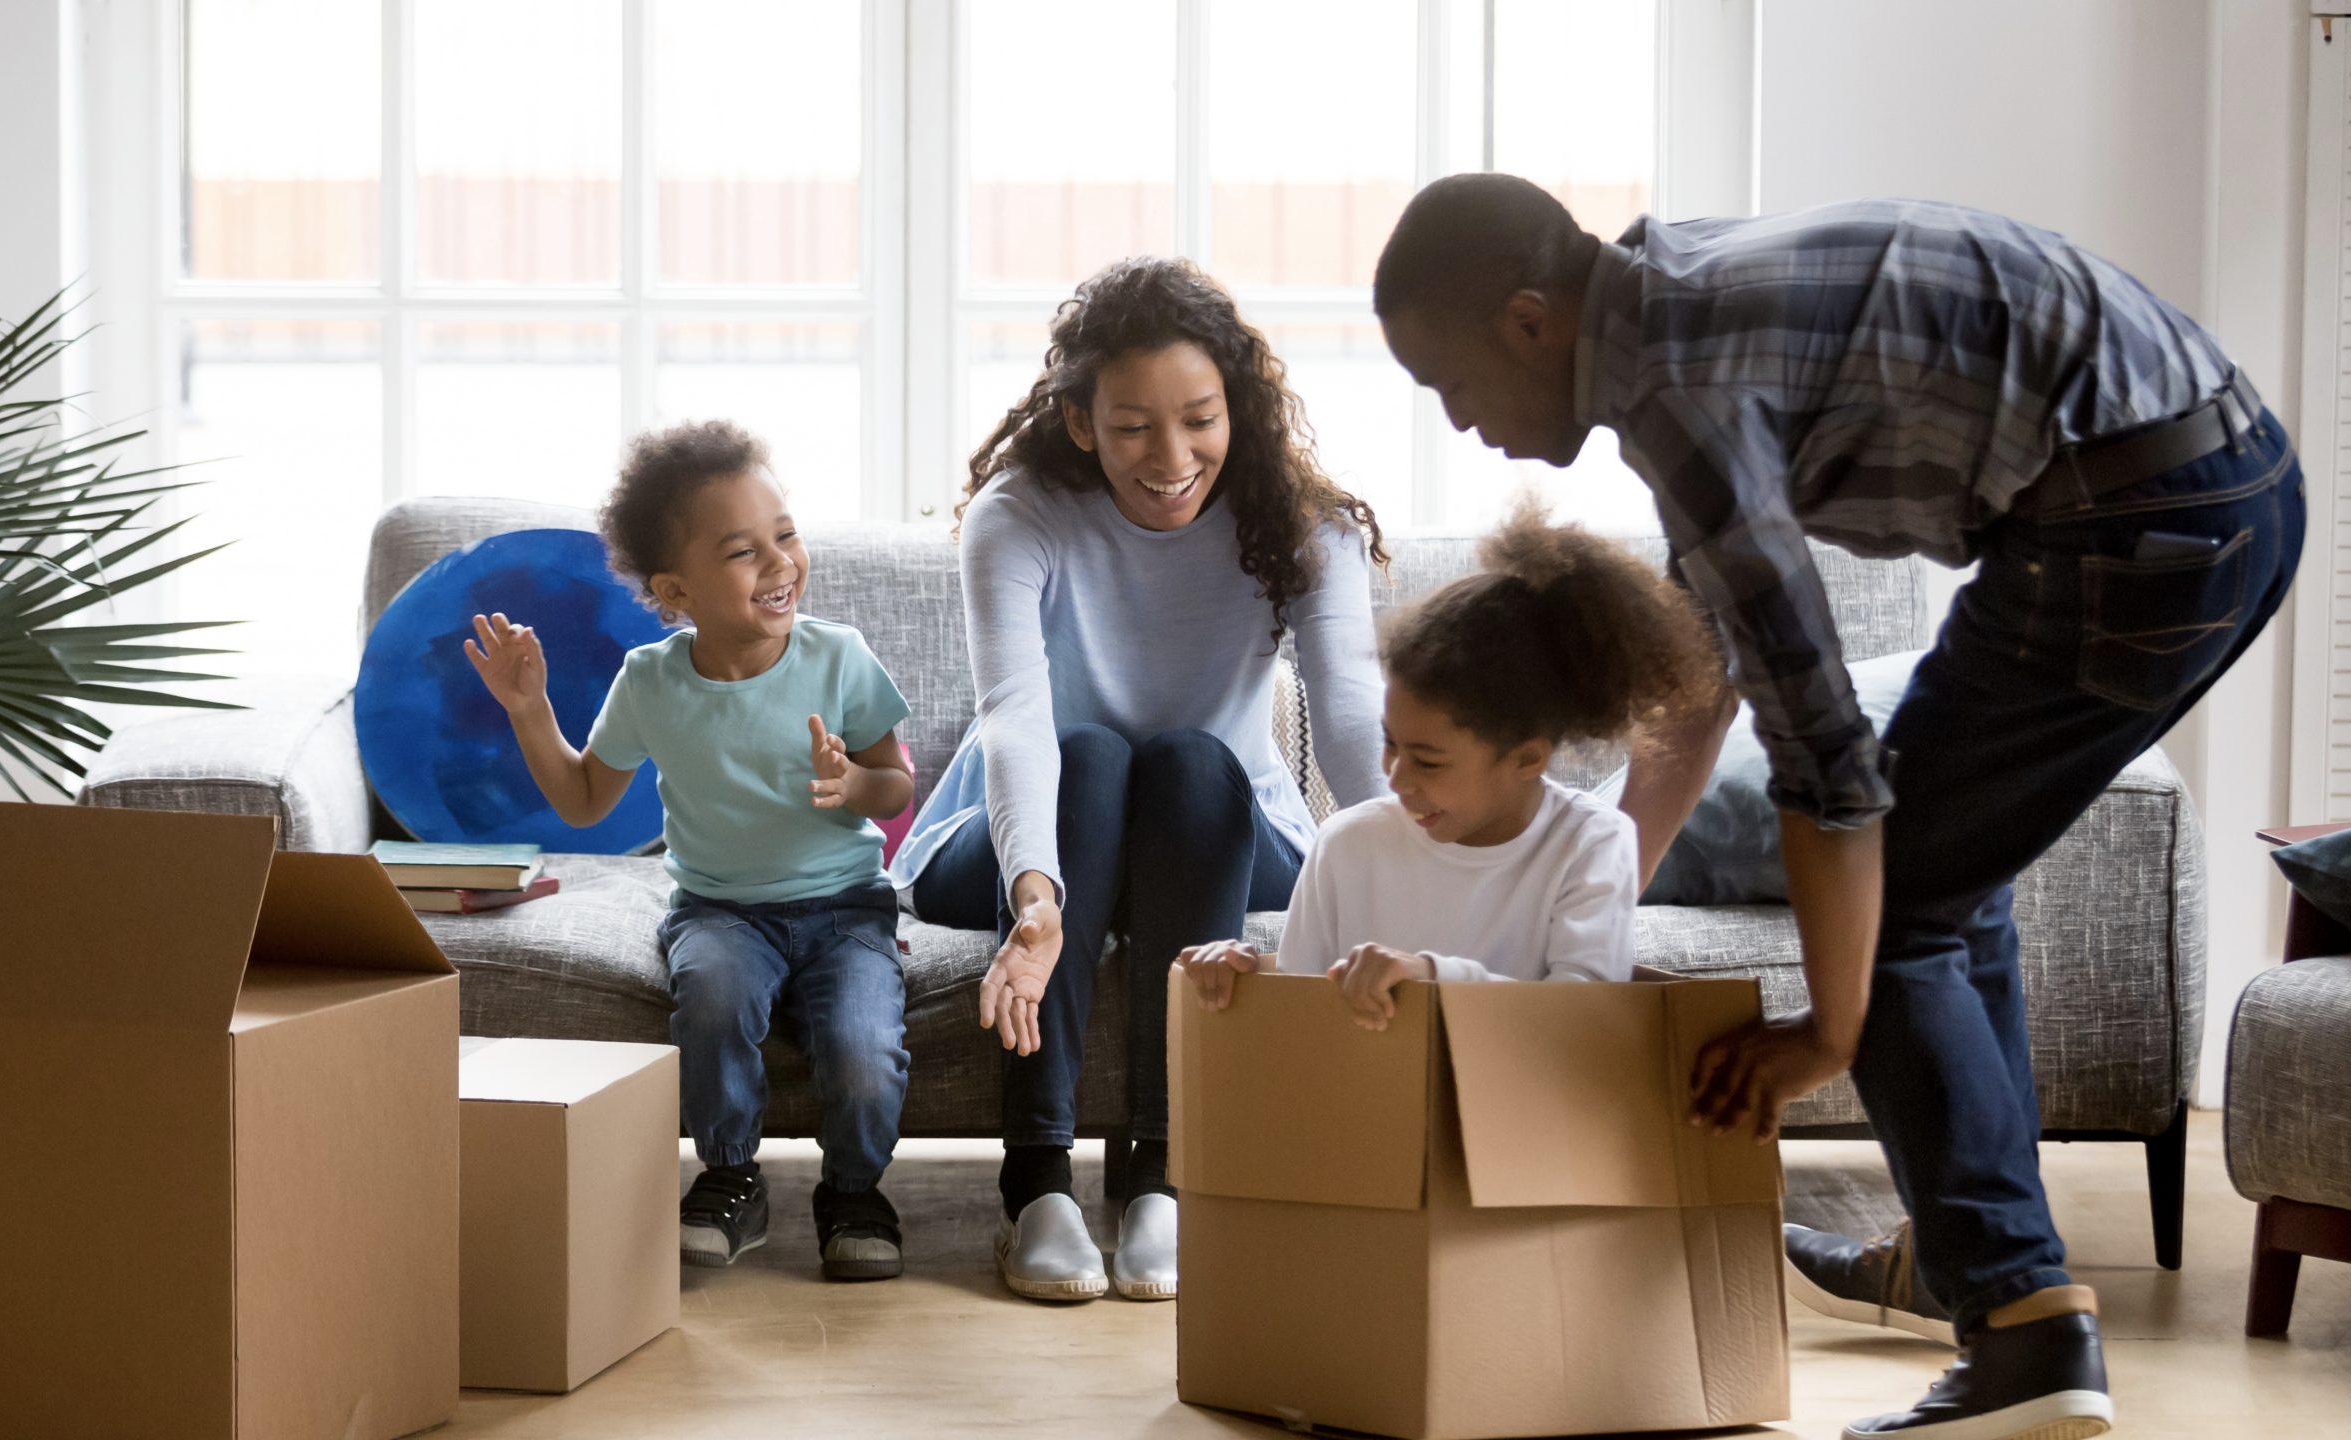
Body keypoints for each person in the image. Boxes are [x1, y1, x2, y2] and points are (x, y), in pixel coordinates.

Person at [1370, 173, 2303, 1440]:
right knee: (1944, 870)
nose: (1459, 422)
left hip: (2135, 514)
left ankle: (2023, 1325)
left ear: (1530, 320)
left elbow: (1827, 763)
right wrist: (1580, 896)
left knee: (1906, 888)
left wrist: (1828, 1032)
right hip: (2215, 477)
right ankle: (1974, 1247)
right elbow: (1705, 683)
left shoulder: (1675, 394)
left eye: (1451, 383)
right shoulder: (1668, 287)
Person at [892, 257, 1391, 1303]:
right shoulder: (1018, 514)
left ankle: (1162, 1179)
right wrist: (1032, 900)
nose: (1170, 458)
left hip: (1212, 831)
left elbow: (1350, 716)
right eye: (1131, 428)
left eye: (1199, 419)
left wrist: (1410, 874)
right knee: (1092, 755)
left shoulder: (1307, 525)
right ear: (1080, 421)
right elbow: (1017, 721)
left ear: (1238, 409)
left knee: (1191, 763)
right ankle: (1038, 1186)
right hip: (1018, 835)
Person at [465, 420, 918, 1284]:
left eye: (785, 535)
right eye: (745, 552)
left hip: (847, 908)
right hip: (720, 909)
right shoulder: (651, 680)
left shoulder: (840, 658)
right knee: (711, 1001)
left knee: (863, 1049)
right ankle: (730, 1178)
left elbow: (895, 784)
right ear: (677, 589)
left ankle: (855, 1191)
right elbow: (587, 799)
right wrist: (529, 710)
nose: (781, 563)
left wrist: (854, 787)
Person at [1180, 508, 1723, 1021]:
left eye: (1429, 762)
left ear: (1528, 758)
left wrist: (1432, 978)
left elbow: (1582, 1019)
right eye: (1391, 744)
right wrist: (1247, 976)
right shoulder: (1346, 844)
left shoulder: (1593, 844)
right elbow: (1304, 1009)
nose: (1395, 777)